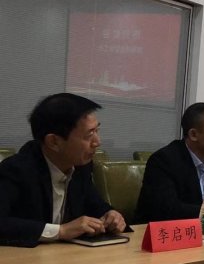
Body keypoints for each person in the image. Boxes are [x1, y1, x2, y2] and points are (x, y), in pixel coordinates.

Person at [0, 93, 126, 247]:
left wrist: (111, 215)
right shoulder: (17, 169)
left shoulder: (81, 166)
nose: (97, 142)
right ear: (54, 142)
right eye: (89, 134)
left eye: (97, 131)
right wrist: (60, 231)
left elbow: (96, 205)